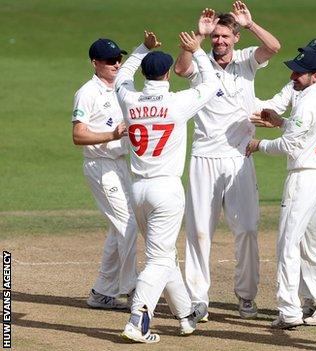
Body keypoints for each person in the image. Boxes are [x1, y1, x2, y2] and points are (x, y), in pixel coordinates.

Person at [173, 1, 281, 319]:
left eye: (224, 36)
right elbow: (180, 69)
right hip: (204, 157)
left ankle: (246, 297)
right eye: (216, 36)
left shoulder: (247, 60)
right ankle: (197, 299)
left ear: (235, 38)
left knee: (247, 228)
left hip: (239, 157)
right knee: (199, 231)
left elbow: (274, 47)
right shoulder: (202, 61)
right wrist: (200, 36)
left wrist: (250, 24)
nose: (219, 41)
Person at [114, 27, 220, 343]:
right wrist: (198, 50)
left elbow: (121, 79)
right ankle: (138, 318)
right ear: (167, 76)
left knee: (165, 255)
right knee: (159, 259)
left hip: (139, 189)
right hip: (166, 190)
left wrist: (141, 48)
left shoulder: (130, 101)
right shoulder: (177, 103)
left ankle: (186, 315)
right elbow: (212, 84)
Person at [253, 38, 316, 325]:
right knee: (312, 242)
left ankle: (289, 310)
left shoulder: (307, 101)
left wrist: (259, 145)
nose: (293, 76)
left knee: (288, 244)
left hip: (304, 177)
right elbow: (309, 132)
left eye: (299, 73)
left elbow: (289, 146)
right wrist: (282, 123)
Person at [72, 38, 138, 310]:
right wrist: (111, 135)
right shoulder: (87, 92)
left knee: (118, 227)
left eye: (118, 59)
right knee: (128, 225)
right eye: (110, 61)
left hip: (120, 165)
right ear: (95, 63)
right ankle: (134, 291)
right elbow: (78, 135)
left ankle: (102, 292)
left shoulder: (122, 88)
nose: (116, 64)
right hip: (100, 167)